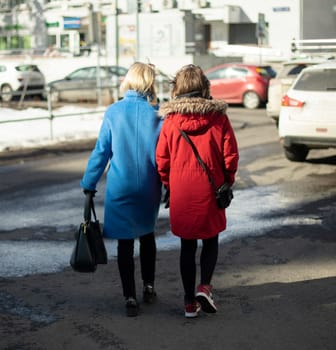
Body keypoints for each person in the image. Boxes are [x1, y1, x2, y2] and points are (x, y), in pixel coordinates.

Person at [155, 64, 239, 318]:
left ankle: (189, 302)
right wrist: (228, 181)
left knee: (187, 247)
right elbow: (230, 156)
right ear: (204, 87)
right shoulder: (219, 118)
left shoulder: (171, 122)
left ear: (178, 89)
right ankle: (205, 287)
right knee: (211, 239)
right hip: (211, 191)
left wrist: (170, 185)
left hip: (182, 193)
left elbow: (162, 160)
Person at [80, 62, 163, 317]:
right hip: (149, 186)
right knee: (148, 236)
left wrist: (89, 183)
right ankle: (149, 286)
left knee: (125, 244)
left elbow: (102, 152)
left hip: (121, 187)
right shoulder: (158, 114)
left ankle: (129, 297)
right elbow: (164, 155)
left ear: (129, 81)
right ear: (150, 83)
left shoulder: (114, 112)